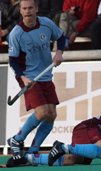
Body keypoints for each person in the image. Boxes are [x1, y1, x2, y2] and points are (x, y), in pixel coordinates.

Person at [6, 0, 65, 167]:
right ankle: (17, 140)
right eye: (24, 8)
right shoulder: (16, 33)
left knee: (51, 114)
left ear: (36, 9)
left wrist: (59, 53)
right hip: (28, 76)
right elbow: (13, 61)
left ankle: (33, 151)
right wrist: (23, 78)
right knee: (42, 112)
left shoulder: (46, 24)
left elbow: (61, 37)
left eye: (30, 8)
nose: (27, 11)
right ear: (20, 10)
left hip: (45, 74)